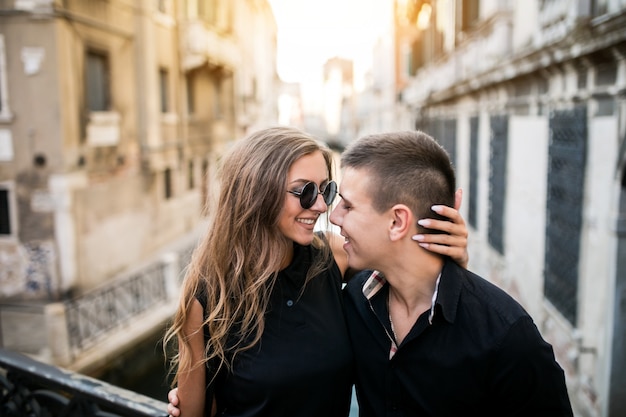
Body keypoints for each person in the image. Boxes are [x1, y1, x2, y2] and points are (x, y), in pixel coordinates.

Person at [163, 126, 469, 417]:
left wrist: (449, 256)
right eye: (305, 192)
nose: (322, 206)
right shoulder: (207, 294)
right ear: (256, 193)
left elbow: (407, 275)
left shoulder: (332, 256)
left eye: (326, 190)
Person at [332, 130, 573, 416]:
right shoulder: (355, 302)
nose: (334, 216)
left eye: (348, 205)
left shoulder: (508, 338)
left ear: (398, 221)